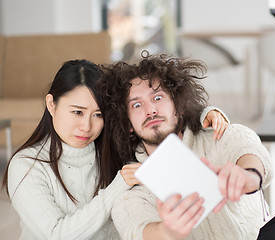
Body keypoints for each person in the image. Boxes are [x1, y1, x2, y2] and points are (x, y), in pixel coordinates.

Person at [97, 51, 275, 240]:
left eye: (157, 98)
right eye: (137, 104)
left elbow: (249, 150)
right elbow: (138, 229)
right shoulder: (131, 185)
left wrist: (247, 176)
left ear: (180, 106)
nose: (150, 110)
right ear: (127, 124)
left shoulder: (217, 135)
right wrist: (168, 229)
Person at [1, 59, 229, 240]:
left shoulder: (112, 147)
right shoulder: (27, 166)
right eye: (77, 112)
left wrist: (202, 114)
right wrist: (118, 185)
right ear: (51, 104)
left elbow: (155, 126)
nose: (87, 127)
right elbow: (57, 235)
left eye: (98, 115)